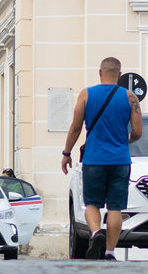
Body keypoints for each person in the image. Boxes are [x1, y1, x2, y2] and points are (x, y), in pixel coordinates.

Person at [61, 57, 143, 261]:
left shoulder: (86, 94)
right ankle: (109, 252)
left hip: (94, 160)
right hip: (120, 160)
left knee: (92, 204)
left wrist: (66, 153)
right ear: (120, 75)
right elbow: (138, 132)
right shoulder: (130, 97)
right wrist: (127, 140)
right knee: (115, 207)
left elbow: (76, 127)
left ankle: (96, 232)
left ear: (100, 72)